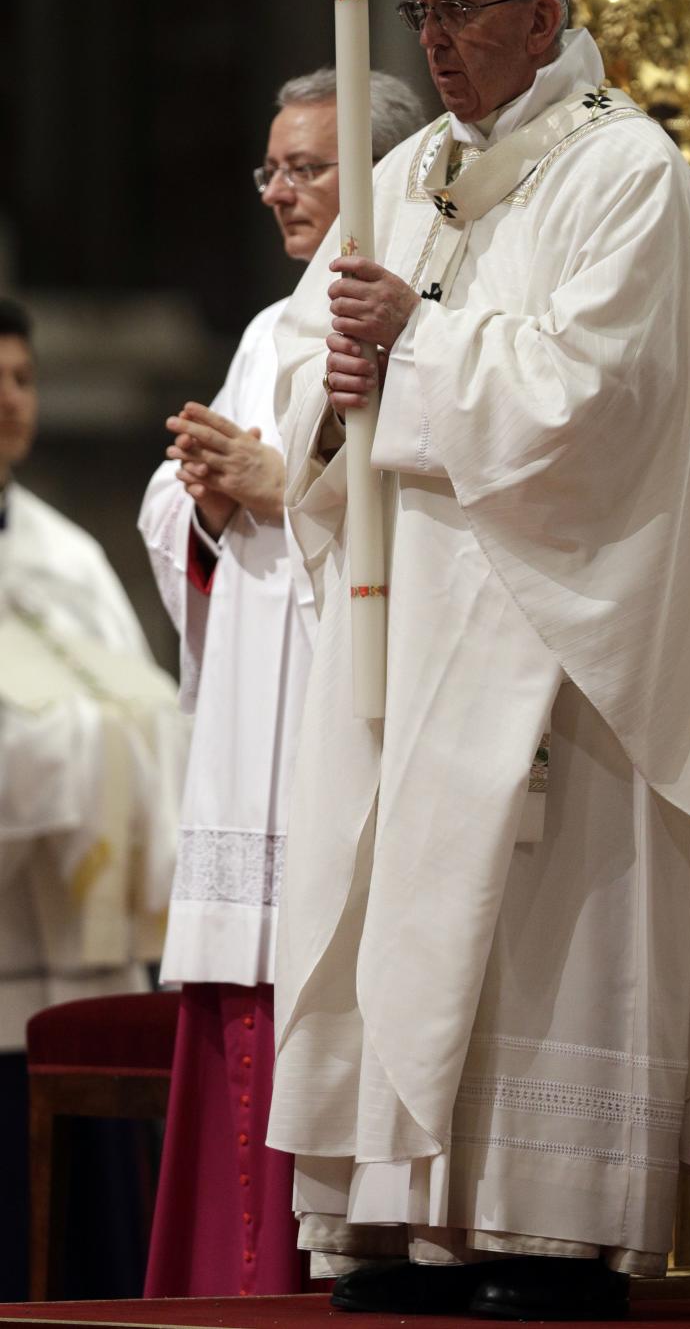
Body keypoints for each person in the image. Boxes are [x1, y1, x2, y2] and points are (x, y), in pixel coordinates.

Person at [268, 0, 690, 1320]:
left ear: (545, 18)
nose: (435, 42)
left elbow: (594, 405)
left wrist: (412, 346)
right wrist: (340, 380)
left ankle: (540, 1230)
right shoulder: (411, 168)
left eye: (462, 12)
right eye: (419, 14)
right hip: (408, 616)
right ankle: (395, 1219)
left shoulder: (628, 176)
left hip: (554, 637)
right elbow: (313, 359)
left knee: (537, 928)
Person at [138, 68, 423, 1298]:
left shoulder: (407, 330)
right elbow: (184, 521)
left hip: (343, 729)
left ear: (381, 179)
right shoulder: (269, 332)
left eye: (306, 167)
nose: (278, 192)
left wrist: (284, 485)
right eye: (272, 168)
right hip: (249, 727)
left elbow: (428, 520)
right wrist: (204, 499)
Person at [0, 296, 183, 1299]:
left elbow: (148, 706)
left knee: (89, 1262)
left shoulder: (66, 556)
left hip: (79, 948)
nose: (9, 401)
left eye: (22, 379)